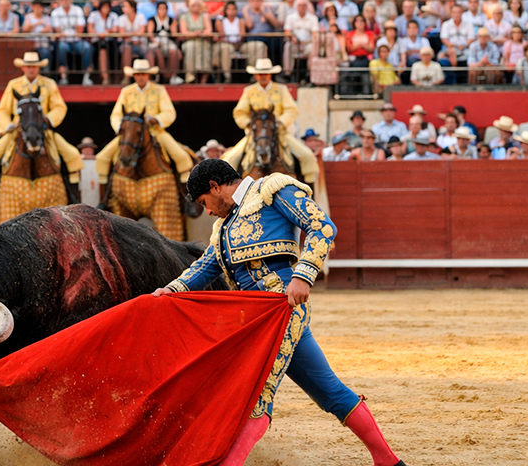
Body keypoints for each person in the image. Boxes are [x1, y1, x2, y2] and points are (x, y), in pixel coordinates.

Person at [154, 160, 406, 466]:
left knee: (257, 395)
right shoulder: (223, 228)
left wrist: (303, 274)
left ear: (215, 187)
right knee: (329, 391)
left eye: (204, 202)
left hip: (282, 307)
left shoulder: (271, 190)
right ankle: (389, 461)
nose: (206, 211)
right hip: (254, 319)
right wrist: (172, 290)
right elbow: (207, 266)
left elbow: (322, 227)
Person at [0, 51, 83, 190]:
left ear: (38, 68)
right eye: (28, 66)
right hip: (17, 131)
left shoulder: (49, 84)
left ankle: (72, 198)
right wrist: (6, 126)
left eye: (34, 66)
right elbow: (3, 110)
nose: (31, 69)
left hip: (43, 130)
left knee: (72, 156)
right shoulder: (14, 84)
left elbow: (59, 107)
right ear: (23, 68)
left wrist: (48, 119)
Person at [94, 58, 195, 197]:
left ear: (148, 75)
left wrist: (157, 119)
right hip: (130, 135)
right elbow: (115, 115)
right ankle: (104, 199)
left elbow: (169, 112)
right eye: (138, 74)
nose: (140, 77)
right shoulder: (126, 91)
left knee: (182, 157)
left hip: (156, 132)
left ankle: (186, 198)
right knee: (102, 158)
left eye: (143, 74)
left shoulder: (159, 90)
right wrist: (121, 129)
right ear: (134, 76)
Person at [222, 58, 317, 183]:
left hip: (280, 134)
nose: (263, 77)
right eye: (260, 74)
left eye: (265, 74)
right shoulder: (249, 91)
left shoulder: (281, 89)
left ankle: (309, 194)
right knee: (228, 160)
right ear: (256, 75)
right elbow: (239, 112)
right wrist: (249, 124)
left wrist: (280, 122)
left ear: (270, 74)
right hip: (254, 136)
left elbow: (291, 110)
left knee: (308, 157)